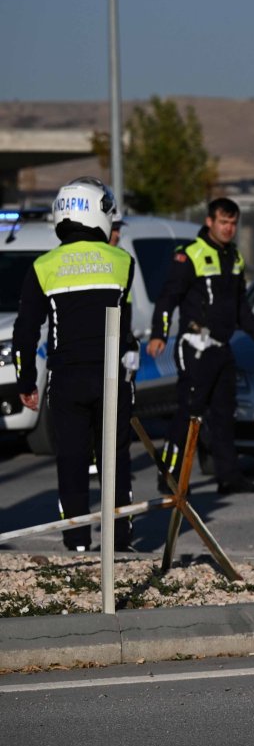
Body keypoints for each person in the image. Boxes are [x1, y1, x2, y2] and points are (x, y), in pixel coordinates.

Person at [11, 178, 139, 551]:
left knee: (71, 461)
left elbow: (25, 330)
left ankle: (78, 543)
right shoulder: (122, 262)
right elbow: (124, 321)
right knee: (114, 461)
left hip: (66, 378)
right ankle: (120, 542)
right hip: (111, 377)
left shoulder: (43, 265)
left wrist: (24, 381)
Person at [148, 197, 254, 494]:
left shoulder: (235, 258)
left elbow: (241, 305)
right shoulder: (190, 255)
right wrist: (159, 334)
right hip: (195, 346)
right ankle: (171, 475)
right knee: (189, 412)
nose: (229, 228)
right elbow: (168, 298)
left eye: (233, 223)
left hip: (221, 348)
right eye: (223, 222)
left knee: (224, 413)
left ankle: (228, 476)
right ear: (209, 222)